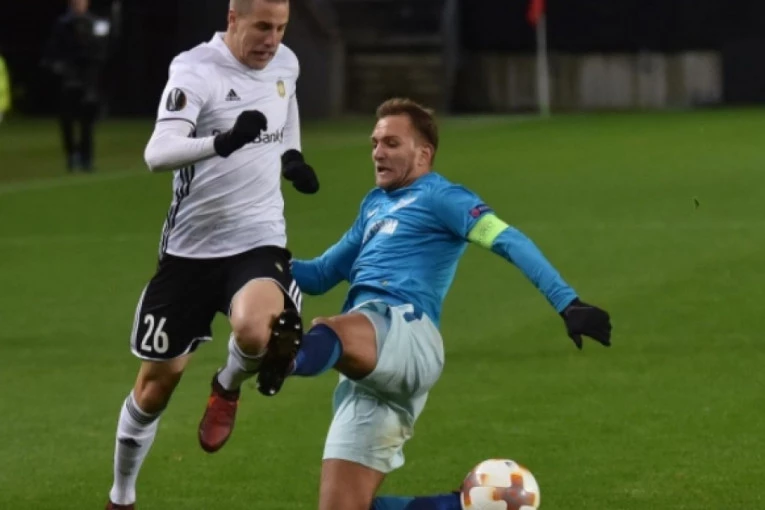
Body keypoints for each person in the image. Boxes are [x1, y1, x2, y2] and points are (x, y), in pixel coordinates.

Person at [255, 97, 613, 510]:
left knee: (331, 328)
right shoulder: (374, 205)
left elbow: (507, 240)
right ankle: (461, 505)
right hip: (368, 366)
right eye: (375, 143)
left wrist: (568, 303)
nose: (378, 152)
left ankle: (289, 359)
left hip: (407, 334)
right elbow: (319, 274)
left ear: (423, 154)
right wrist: (257, 260)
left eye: (391, 143)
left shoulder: (444, 197)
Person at [104, 0, 319, 508]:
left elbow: (286, 101)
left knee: (256, 329)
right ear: (232, 19)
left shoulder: (285, 62)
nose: (273, 39)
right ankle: (122, 495)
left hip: (259, 238)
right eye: (262, 27)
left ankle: (227, 385)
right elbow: (157, 153)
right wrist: (221, 142)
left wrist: (291, 156)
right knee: (154, 389)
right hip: (190, 250)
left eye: (281, 28)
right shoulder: (195, 70)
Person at [42, 0, 109, 172]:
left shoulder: (96, 23)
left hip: (88, 80)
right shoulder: (62, 24)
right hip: (68, 80)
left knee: (87, 122)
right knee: (67, 121)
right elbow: (53, 50)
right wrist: (58, 67)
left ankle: (86, 158)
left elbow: (103, 48)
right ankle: (72, 155)